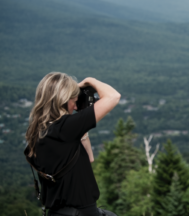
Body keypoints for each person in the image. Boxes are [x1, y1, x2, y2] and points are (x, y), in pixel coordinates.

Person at [25, 72, 121, 216]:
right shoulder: (65, 128)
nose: (76, 107)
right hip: (81, 212)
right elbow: (113, 96)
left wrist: (82, 127)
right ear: (62, 100)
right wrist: (90, 80)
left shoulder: (38, 132)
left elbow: (89, 158)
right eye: (74, 101)